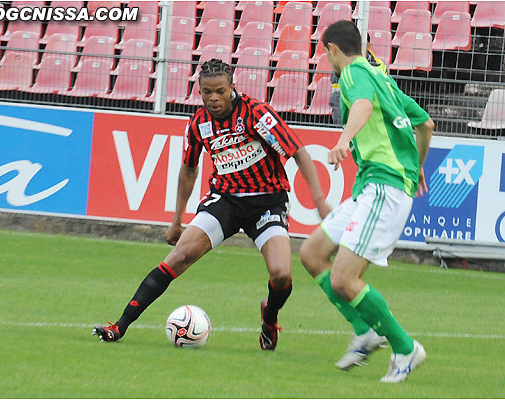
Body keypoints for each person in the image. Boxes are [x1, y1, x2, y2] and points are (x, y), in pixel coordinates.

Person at [93, 59, 331, 350]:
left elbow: (299, 153)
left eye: (220, 91)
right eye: (207, 92)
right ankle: (120, 326)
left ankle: (269, 318)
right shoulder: (198, 123)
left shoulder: (257, 115)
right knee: (178, 258)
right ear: (200, 91)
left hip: (267, 202)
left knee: (281, 274)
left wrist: (319, 200)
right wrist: (176, 220)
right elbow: (189, 168)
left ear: (232, 87)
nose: (213, 98)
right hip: (225, 201)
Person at [299, 20, 434, 383]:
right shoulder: (383, 78)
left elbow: (359, 106)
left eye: (323, 53)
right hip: (372, 186)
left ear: (331, 50)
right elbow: (426, 125)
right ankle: (365, 330)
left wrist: (344, 139)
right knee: (312, 254)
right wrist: (416, 166)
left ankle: (405, 348)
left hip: (383, 188)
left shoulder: (354, 74)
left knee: (343, 278)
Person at [329, 33, 387, 125]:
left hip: (372, 123)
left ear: (368, 46)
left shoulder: (379, 67)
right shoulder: (341, 66)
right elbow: (337, 97)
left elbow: (384, 98)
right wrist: (340, 123)